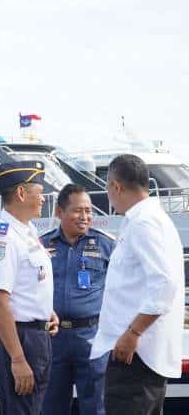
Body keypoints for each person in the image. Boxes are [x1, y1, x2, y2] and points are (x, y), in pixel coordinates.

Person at [89, 154, 184, 414]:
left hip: (134, 356)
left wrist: (133, 333)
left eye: (107, 187)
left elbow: (164, 283)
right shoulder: (151, 219)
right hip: (141, 355)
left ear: (116, 186)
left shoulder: (144, 223)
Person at [0, 161, 59, 415]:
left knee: (32, 408)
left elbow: (28, 283)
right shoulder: (4, 238)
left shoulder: (26, 232)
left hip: (36, 335)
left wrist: (46, 312)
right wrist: (17, 358)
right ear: (21, 194)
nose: (43, 200)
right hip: (19, 338)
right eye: (39, 193)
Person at [40, 184, 115, 415]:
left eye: (89, 211)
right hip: (53, 339)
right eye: (77, 211)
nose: (85, 217)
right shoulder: (41, 245)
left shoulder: (107, 246)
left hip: (91, 338)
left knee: (96, 408)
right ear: (59, 212)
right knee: (51, 407)